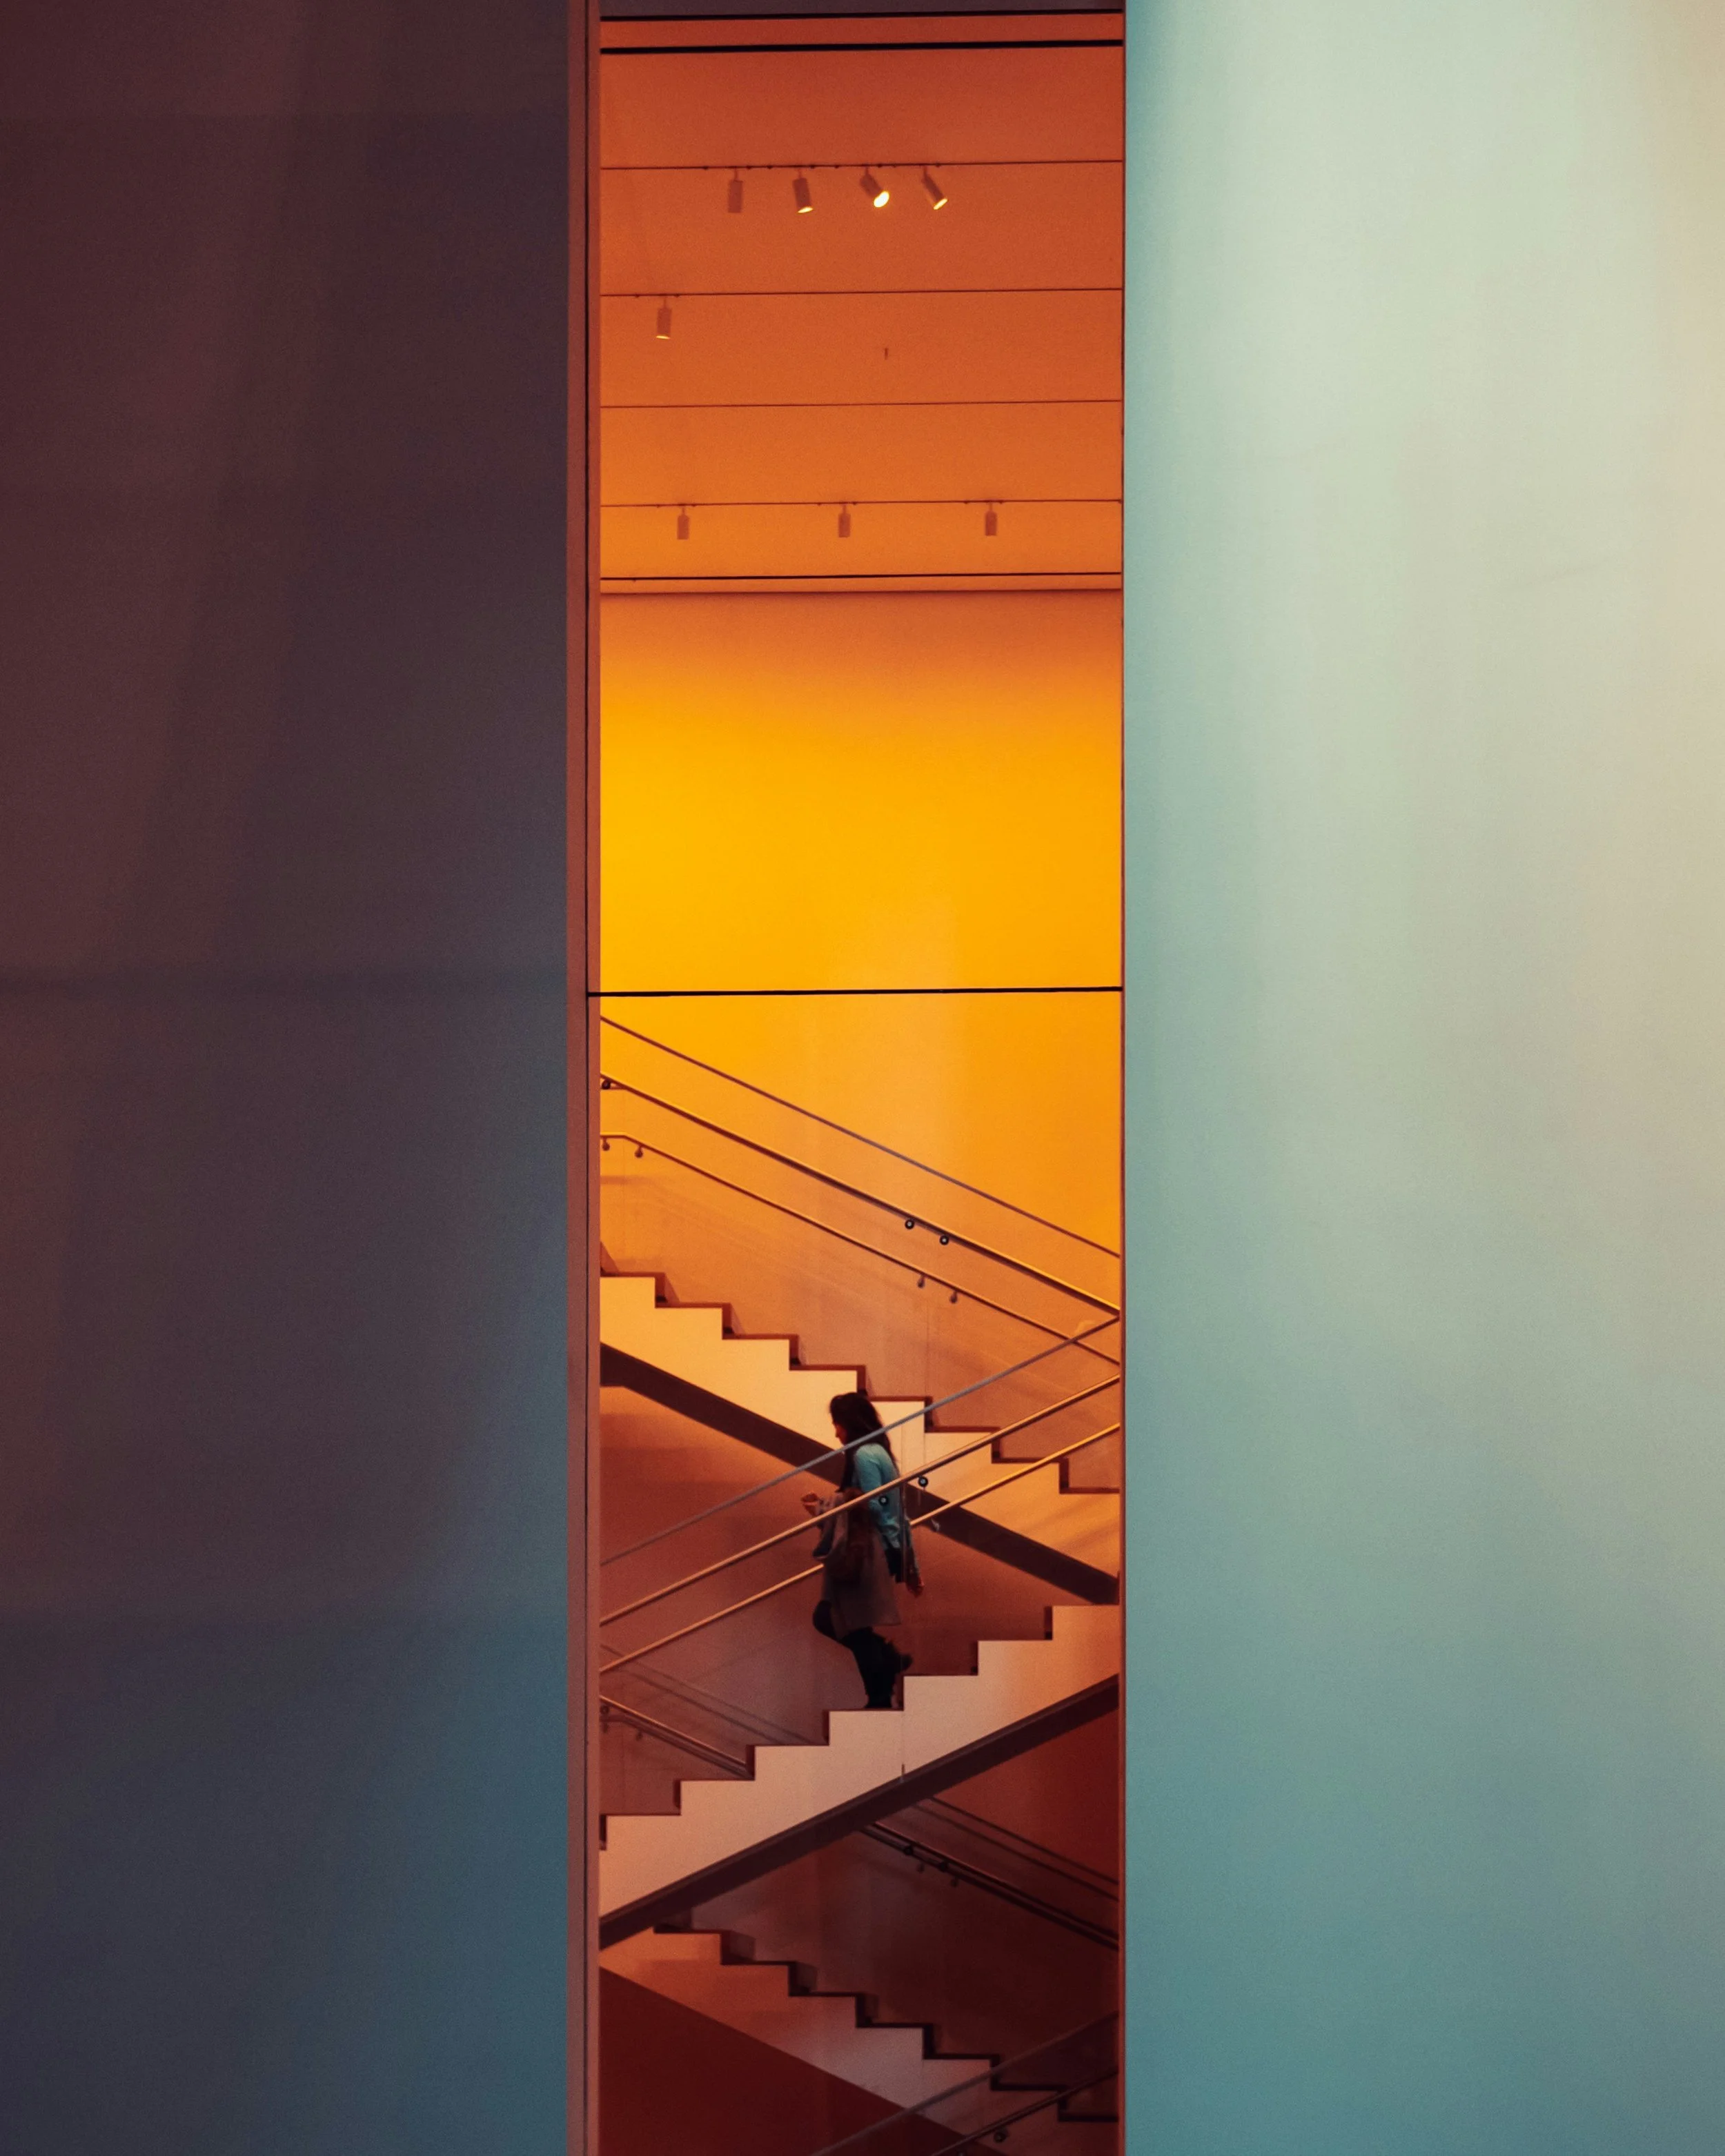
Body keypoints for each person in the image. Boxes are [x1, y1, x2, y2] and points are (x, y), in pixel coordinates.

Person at [802, 1391, 922, 1709]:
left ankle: (884, 1678)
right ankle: (882, 1688)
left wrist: (823, 1508)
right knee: (850, 1622)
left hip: (867, 1551)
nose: (836, 1432)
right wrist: (911, 1565)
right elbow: (892, 1508)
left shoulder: (865, 1455)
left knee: (835, 1619)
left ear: (849, 1423)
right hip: (880, 1548)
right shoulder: (878, 1452)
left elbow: (875, 1504)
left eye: (837, 1424)